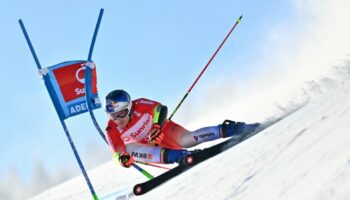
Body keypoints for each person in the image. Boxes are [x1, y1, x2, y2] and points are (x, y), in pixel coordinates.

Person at [104, 89, 260, 168]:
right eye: (113, 115)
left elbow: (160, 109)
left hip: (164, 131)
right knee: (129, 149)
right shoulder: (111, 129)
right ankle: (181, 156)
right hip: (152, 148)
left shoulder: (140, 104)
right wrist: (123, 159)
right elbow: (117, 153)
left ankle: (233, 129)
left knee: (187, 139)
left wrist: (157, 127)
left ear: (130, 107)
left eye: (122, 113)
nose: (119, 119)